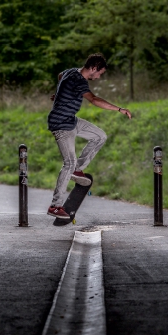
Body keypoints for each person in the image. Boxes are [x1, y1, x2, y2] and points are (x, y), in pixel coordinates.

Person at [47, 53, 132, 219]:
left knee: (99, 136)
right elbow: (93, 100)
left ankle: (78, 169)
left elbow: (59, 76)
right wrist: (119, 109)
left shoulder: (70, 72)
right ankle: (55, 206)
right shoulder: (79, 80)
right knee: (68, 162)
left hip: (71, 120)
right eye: (99, 73)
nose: (99, 77)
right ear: (93, 68)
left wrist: (60, 93)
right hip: (61, 125)